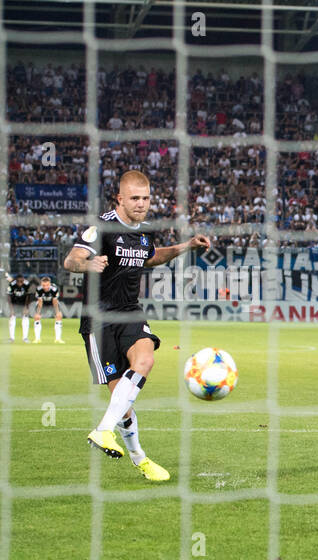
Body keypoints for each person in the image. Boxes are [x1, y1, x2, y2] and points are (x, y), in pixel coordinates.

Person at [64, 170, 211, 482]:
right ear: (120, 198)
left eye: (145, 198)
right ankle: (140, 458)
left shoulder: (143, 234)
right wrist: (87, 264)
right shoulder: (102, 228)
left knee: (145, 360)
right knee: (123, 406)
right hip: (98, 320)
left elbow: (152, 257)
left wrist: (186, 246)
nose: (141, 204)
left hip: (129, 312)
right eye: (134, 198)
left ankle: (102, 432)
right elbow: (71, 259)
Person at [29, 276, 65, 344]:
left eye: (47, 285)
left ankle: (58, 339)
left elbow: (55, 301)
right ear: (41, 284)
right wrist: (38, 313)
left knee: (59, 316)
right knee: (37, 317)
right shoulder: (39, 289)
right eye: (43, 285)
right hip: (43, 303)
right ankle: (37, 339)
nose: (45, 287)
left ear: (50, 284)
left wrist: (57, 312)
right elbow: (40, 302)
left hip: (52, 303)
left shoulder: (54, 289)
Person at [9, 274, 31, 342]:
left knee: (25, 318)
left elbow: (29, 296)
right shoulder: (12, 285)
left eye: (21, 281)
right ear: (16, 281)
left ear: (23, 280)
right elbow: (9, 297)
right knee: (12, 318)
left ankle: (25, 338)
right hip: (14, 303)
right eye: (18, 281)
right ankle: (12, 338)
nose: (20, 283)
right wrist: (11, 309)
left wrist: (26, 307)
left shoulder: (27, 284)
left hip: (23, 303)